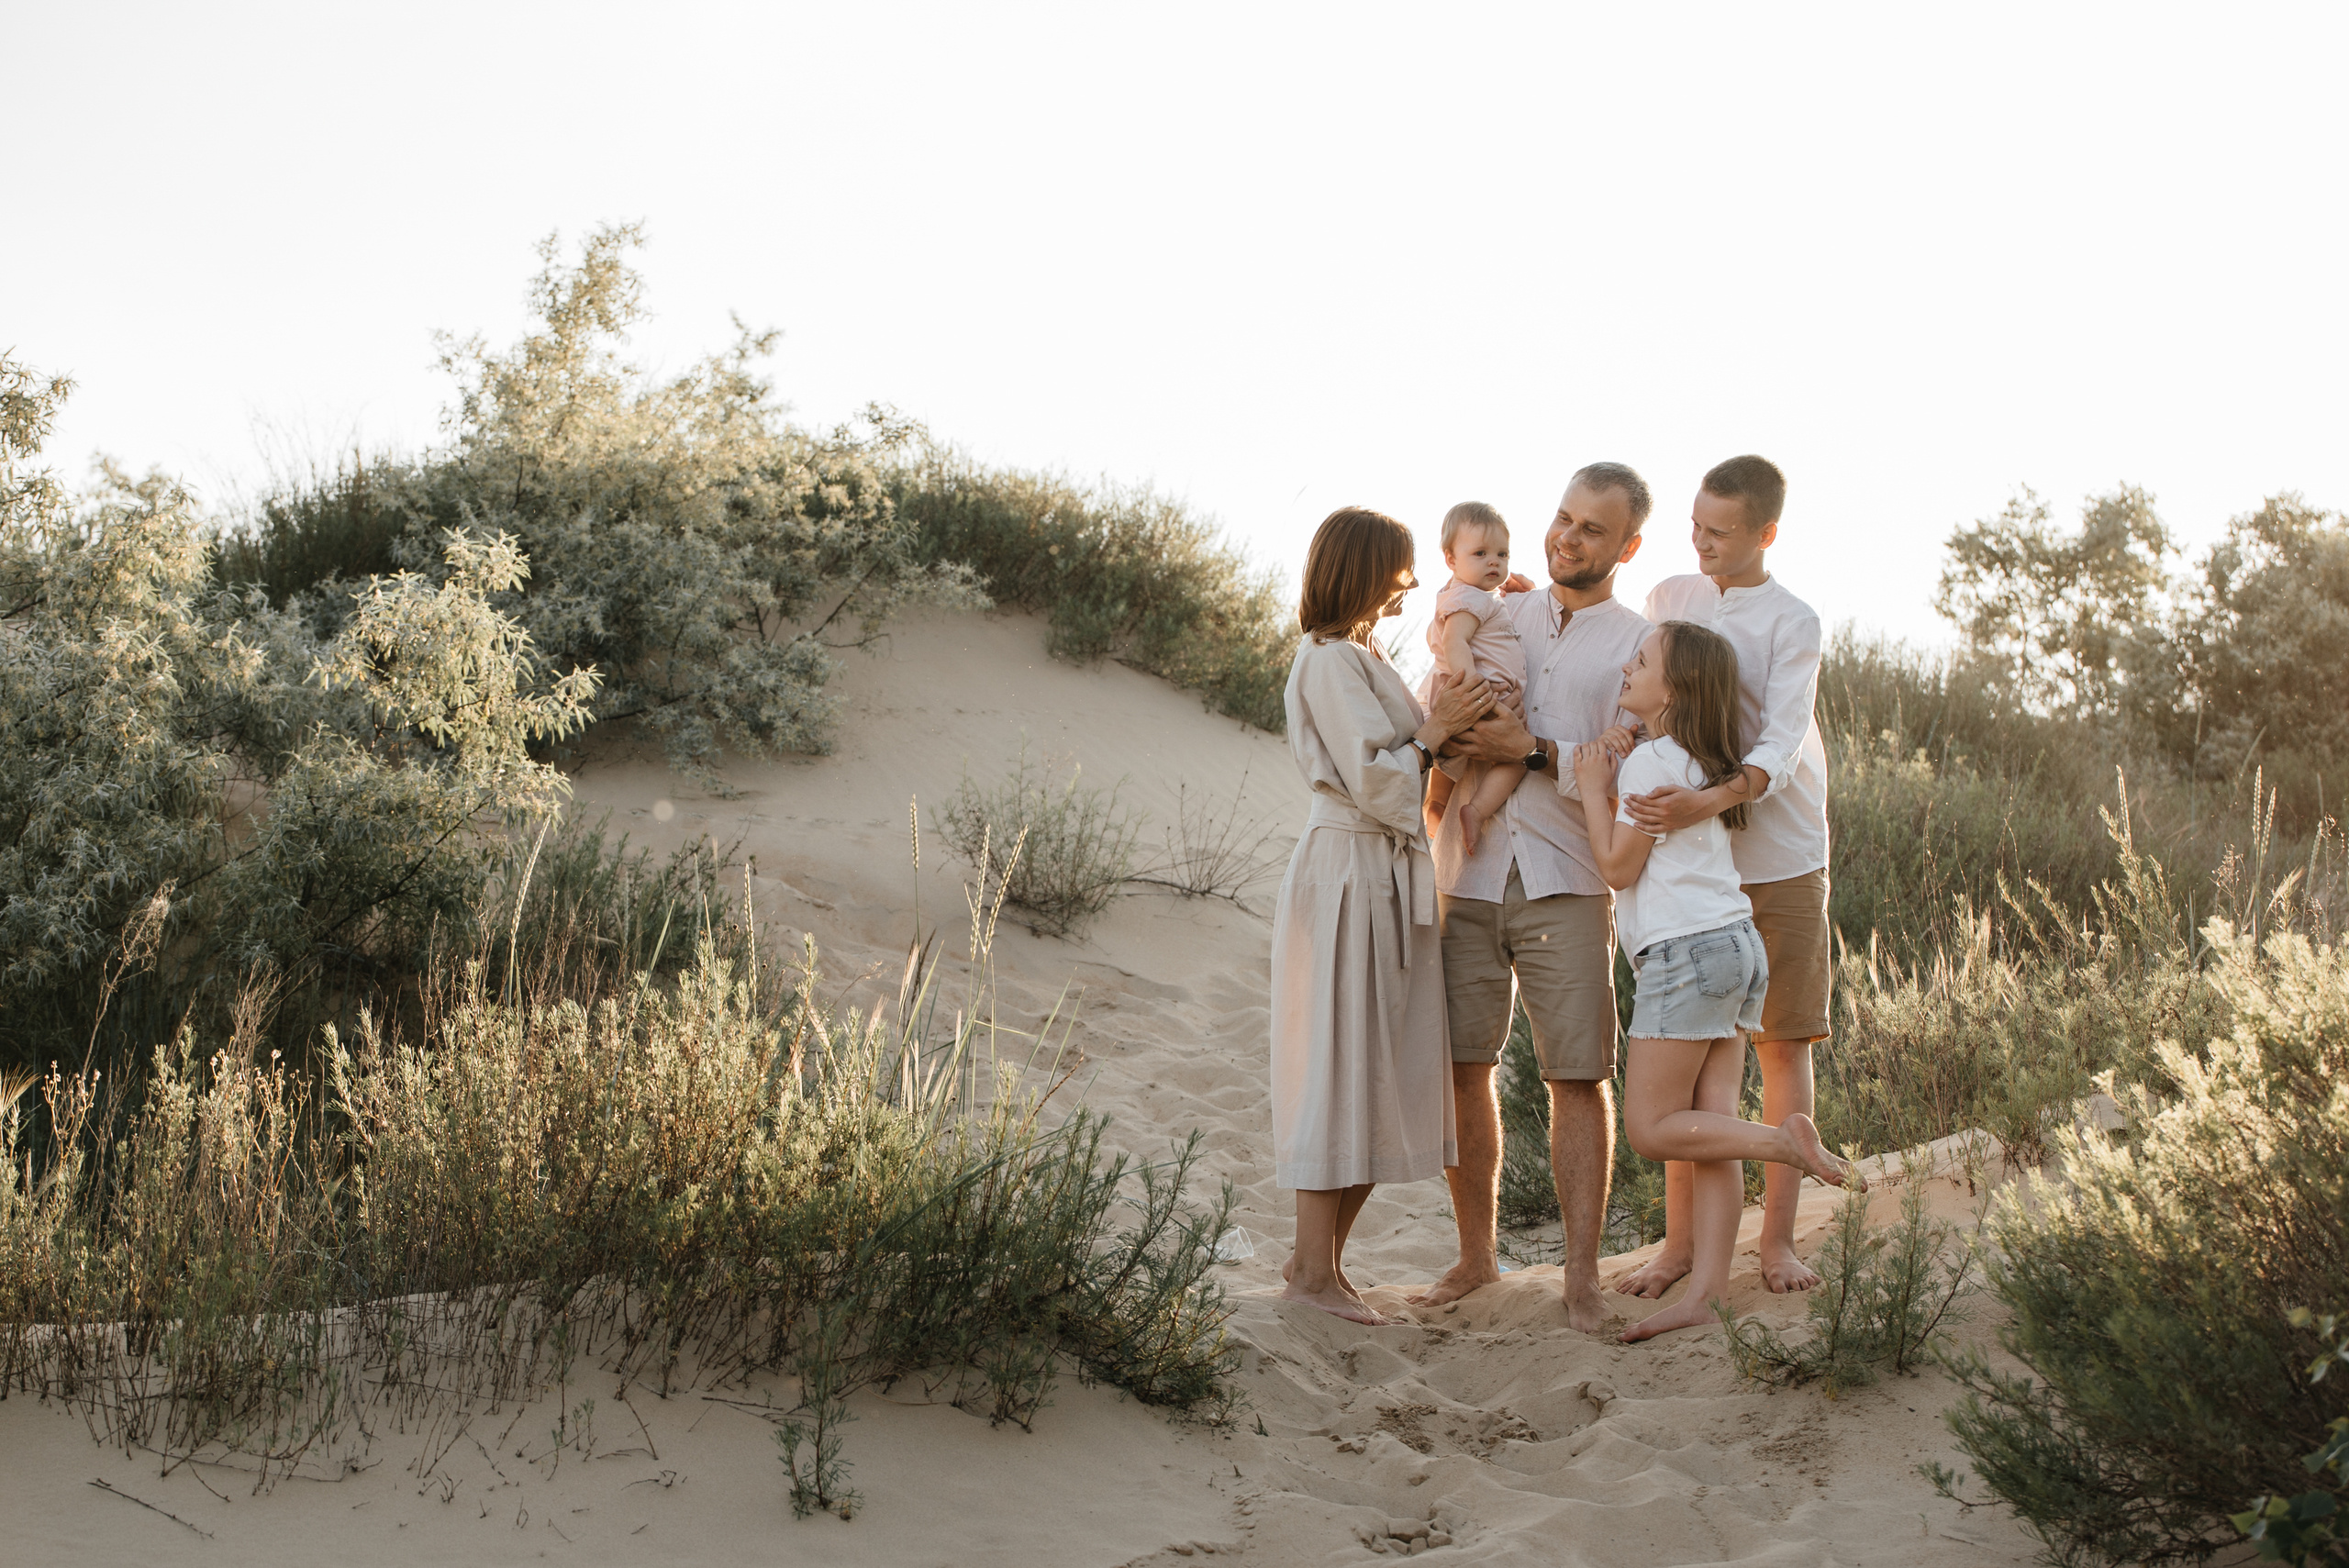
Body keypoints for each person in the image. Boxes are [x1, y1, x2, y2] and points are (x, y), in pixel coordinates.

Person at [1405, 463, 1653, 1333]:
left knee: (1577, 1073)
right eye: (1562, 517)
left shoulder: (1640, 642)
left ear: (1628, 545)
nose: (1567, 537)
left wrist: (1536, 748)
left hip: (1568, 878)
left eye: (1592, 528)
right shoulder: (1489, 607)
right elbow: (1434, 714)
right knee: (1462, 1066)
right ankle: (1477, 1255)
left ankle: (1580, 1279)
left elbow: (1638, 767)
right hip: (1465, 873)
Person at [1569, 621, 1856, 1342]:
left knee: (1650, 1126)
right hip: (1737, 947)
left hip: (1684, 955)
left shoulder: (1646, 766)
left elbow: (1617, 867)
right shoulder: (1706, 760)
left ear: (1676, 689)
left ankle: (1783, 1141)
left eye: (1643, 662)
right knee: (1710, 1128)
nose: (1628, 668)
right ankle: (1704, 1292)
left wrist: (1590, 787)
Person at [1271, 506, 1495, 1326]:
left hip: (1385, 873)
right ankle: (1313, 1275)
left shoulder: (1363, 656)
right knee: (1340, 1061)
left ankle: (1315, 1260)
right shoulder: (1327, 659)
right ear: (1366, 570)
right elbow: (1377, 780)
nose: (1409, 580)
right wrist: (1435, 733)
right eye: (1399, 566)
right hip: (1349, 872)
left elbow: (1411, 758)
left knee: (1378, 1063)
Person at [1620, 455, 1836, 1297]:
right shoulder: (1672, 595)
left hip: (1777, 851)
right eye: (1696, 527)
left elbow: (1780, 744)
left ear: (1765, 533)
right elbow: (1637, 667)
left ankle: (1775, 1244)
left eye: (1722, 532)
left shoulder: (1794, 620)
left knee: (1779, 1041)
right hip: (1693, 863)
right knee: (1698, 1054)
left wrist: (1708, 800)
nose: (1703, 543)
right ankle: (1680, 1245)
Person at [1420, 502, 1530, 856]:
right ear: (1451, 559)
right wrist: (1471, 686)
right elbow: (1455, 641)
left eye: (1502, 553)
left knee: (1452, 762)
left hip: (1480, 691)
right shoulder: (1470, 599)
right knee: (1518, 756)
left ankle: (1437, 807)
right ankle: (1476, 809)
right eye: (1480, 553)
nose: (1494, 562)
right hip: (1481, 692)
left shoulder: (1468, 594)